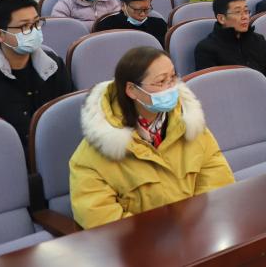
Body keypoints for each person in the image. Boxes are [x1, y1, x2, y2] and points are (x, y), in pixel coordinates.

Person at [69, 46, 234, 229]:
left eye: (173, 78)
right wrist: (162, 237)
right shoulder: (91, 156)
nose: (171, 88)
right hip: (142, 242)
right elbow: (100, 218)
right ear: (132, 90)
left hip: (199, 231)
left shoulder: (189, 124)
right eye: (161, 81)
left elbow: (217, 178)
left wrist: (196, 225)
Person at [0, 0, 73, 145]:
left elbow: (68, 113)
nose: (34, 31)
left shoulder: (53, 64)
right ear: (0, 35)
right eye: (24, 26)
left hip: (55, 146)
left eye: (36, 23)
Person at [195, 0, 266, 78]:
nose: (245, 17)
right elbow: (211, 84)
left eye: (246, 11)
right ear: (221, 18)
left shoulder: (258, 40)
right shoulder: (206, 49)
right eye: (238, 12)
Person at [94, 0, 168, 46]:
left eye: (146, 9)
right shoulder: (106, 27)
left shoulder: (159, 25)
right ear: (123, 5)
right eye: (137, 10)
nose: (142, 14)